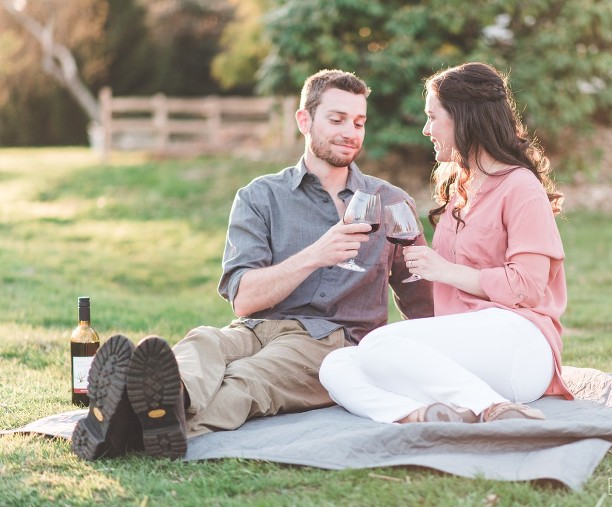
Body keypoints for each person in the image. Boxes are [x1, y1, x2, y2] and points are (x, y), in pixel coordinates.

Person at [71, 69, 434, 461]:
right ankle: (162, 404)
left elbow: (422, 299)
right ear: (304, 120)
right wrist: (316, 254)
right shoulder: (260, 196)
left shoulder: (391, 201)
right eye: (337, 119)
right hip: (254, 326)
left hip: (332, 343)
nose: (351, 132)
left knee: (247, 379)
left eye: (359, 122)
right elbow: (244, 300)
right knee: (203, 342)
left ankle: (125, 424)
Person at [319, 62, 574, 425]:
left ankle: (493, 408)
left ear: (463, 117)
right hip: (469, 350)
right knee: (337, 364)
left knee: (378, 346)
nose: (426, 130)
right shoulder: (460, 188)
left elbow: (529, 286)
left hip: (519, 343)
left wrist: (447, 271)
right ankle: (422, 417)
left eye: (432, 117)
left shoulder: (520, 187)